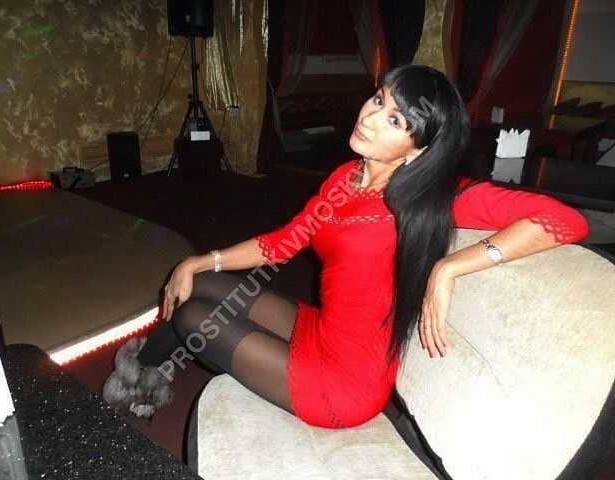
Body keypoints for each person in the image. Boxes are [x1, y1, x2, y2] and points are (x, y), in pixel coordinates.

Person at [102, 65, 589, 428]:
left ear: (419, 149)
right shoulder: (345, 178)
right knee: (203, 283)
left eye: (394, 120)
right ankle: (143, 374)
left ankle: (135, 381)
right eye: (378, 100)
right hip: (322, 327)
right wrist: (198, 260)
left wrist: (451, 268)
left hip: (345, 382)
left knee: (193, 317)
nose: (370, 118)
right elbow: (284, 242)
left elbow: (566, 220)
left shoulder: (433, 196)